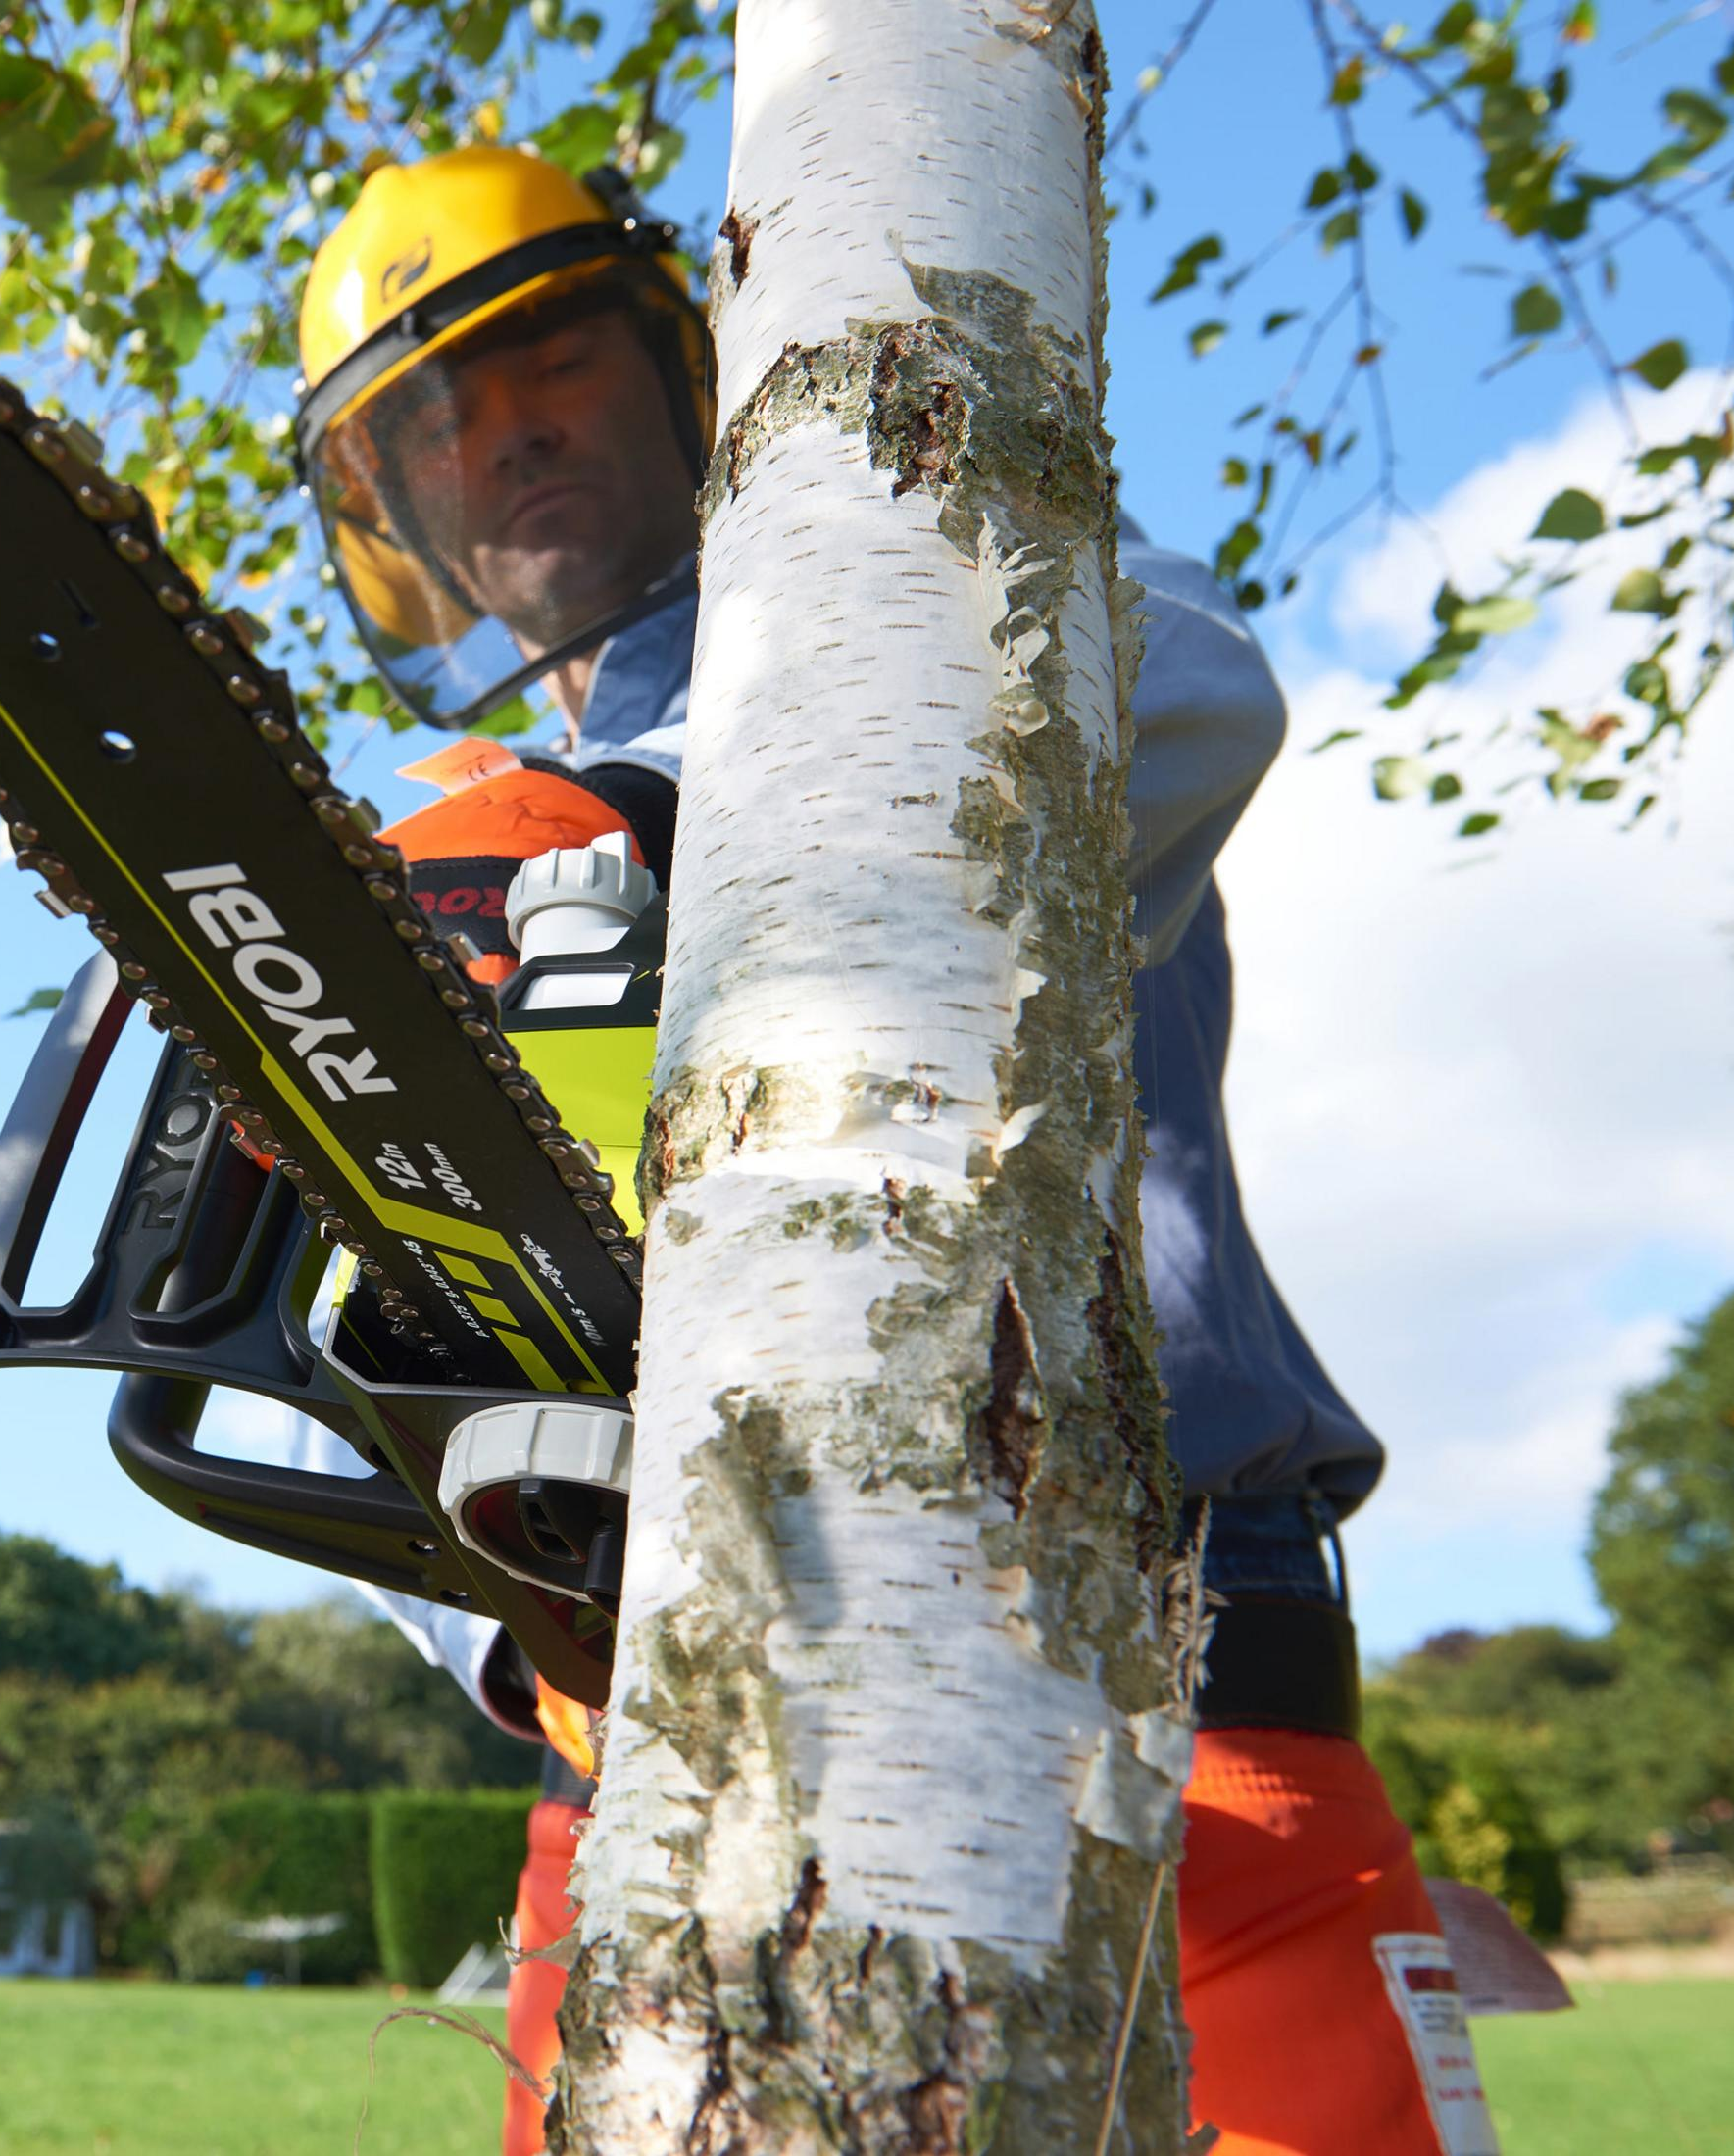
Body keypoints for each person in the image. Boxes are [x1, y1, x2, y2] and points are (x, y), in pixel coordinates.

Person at [277, 146, 1501, 2156]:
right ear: (386, 514)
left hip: (1170, 1653)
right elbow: (365, 1353)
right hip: (665, 1750)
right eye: (431, 424)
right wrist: (508, 1613)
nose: (509, 438)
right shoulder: (436, 877)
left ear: (678, 358)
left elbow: (1201, 676)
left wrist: (661, 833)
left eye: (549, 358)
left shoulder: (943, 583)